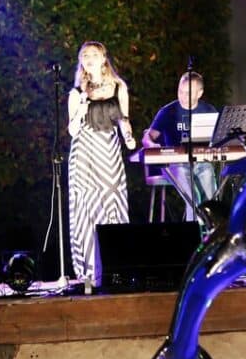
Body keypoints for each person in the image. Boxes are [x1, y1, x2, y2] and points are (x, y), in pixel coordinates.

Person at [67, 41, 135, 286]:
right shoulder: (77, 92)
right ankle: (87, 274)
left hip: (109, 151)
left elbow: (124, 119)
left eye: (94, 54)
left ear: (104, 58)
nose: (89, 58)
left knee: (112, 203)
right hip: (84, 153)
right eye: (85, 55)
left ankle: (116, 268)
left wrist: (129, 137)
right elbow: (72, 130)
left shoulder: (119, 87)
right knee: (87, 209)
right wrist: (81, 106)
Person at [142, 71, 218, 222]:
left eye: (188, 93)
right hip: (175, 164)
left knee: (212, 199)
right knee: (193, 199)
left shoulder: (209, 111)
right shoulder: (168, 112)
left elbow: (218, 138)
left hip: (201, 162)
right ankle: (193, 234)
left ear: (199, 93)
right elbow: (148, 137)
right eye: (180, 91)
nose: (183, 96)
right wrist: (151, 144)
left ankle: (213, 229)